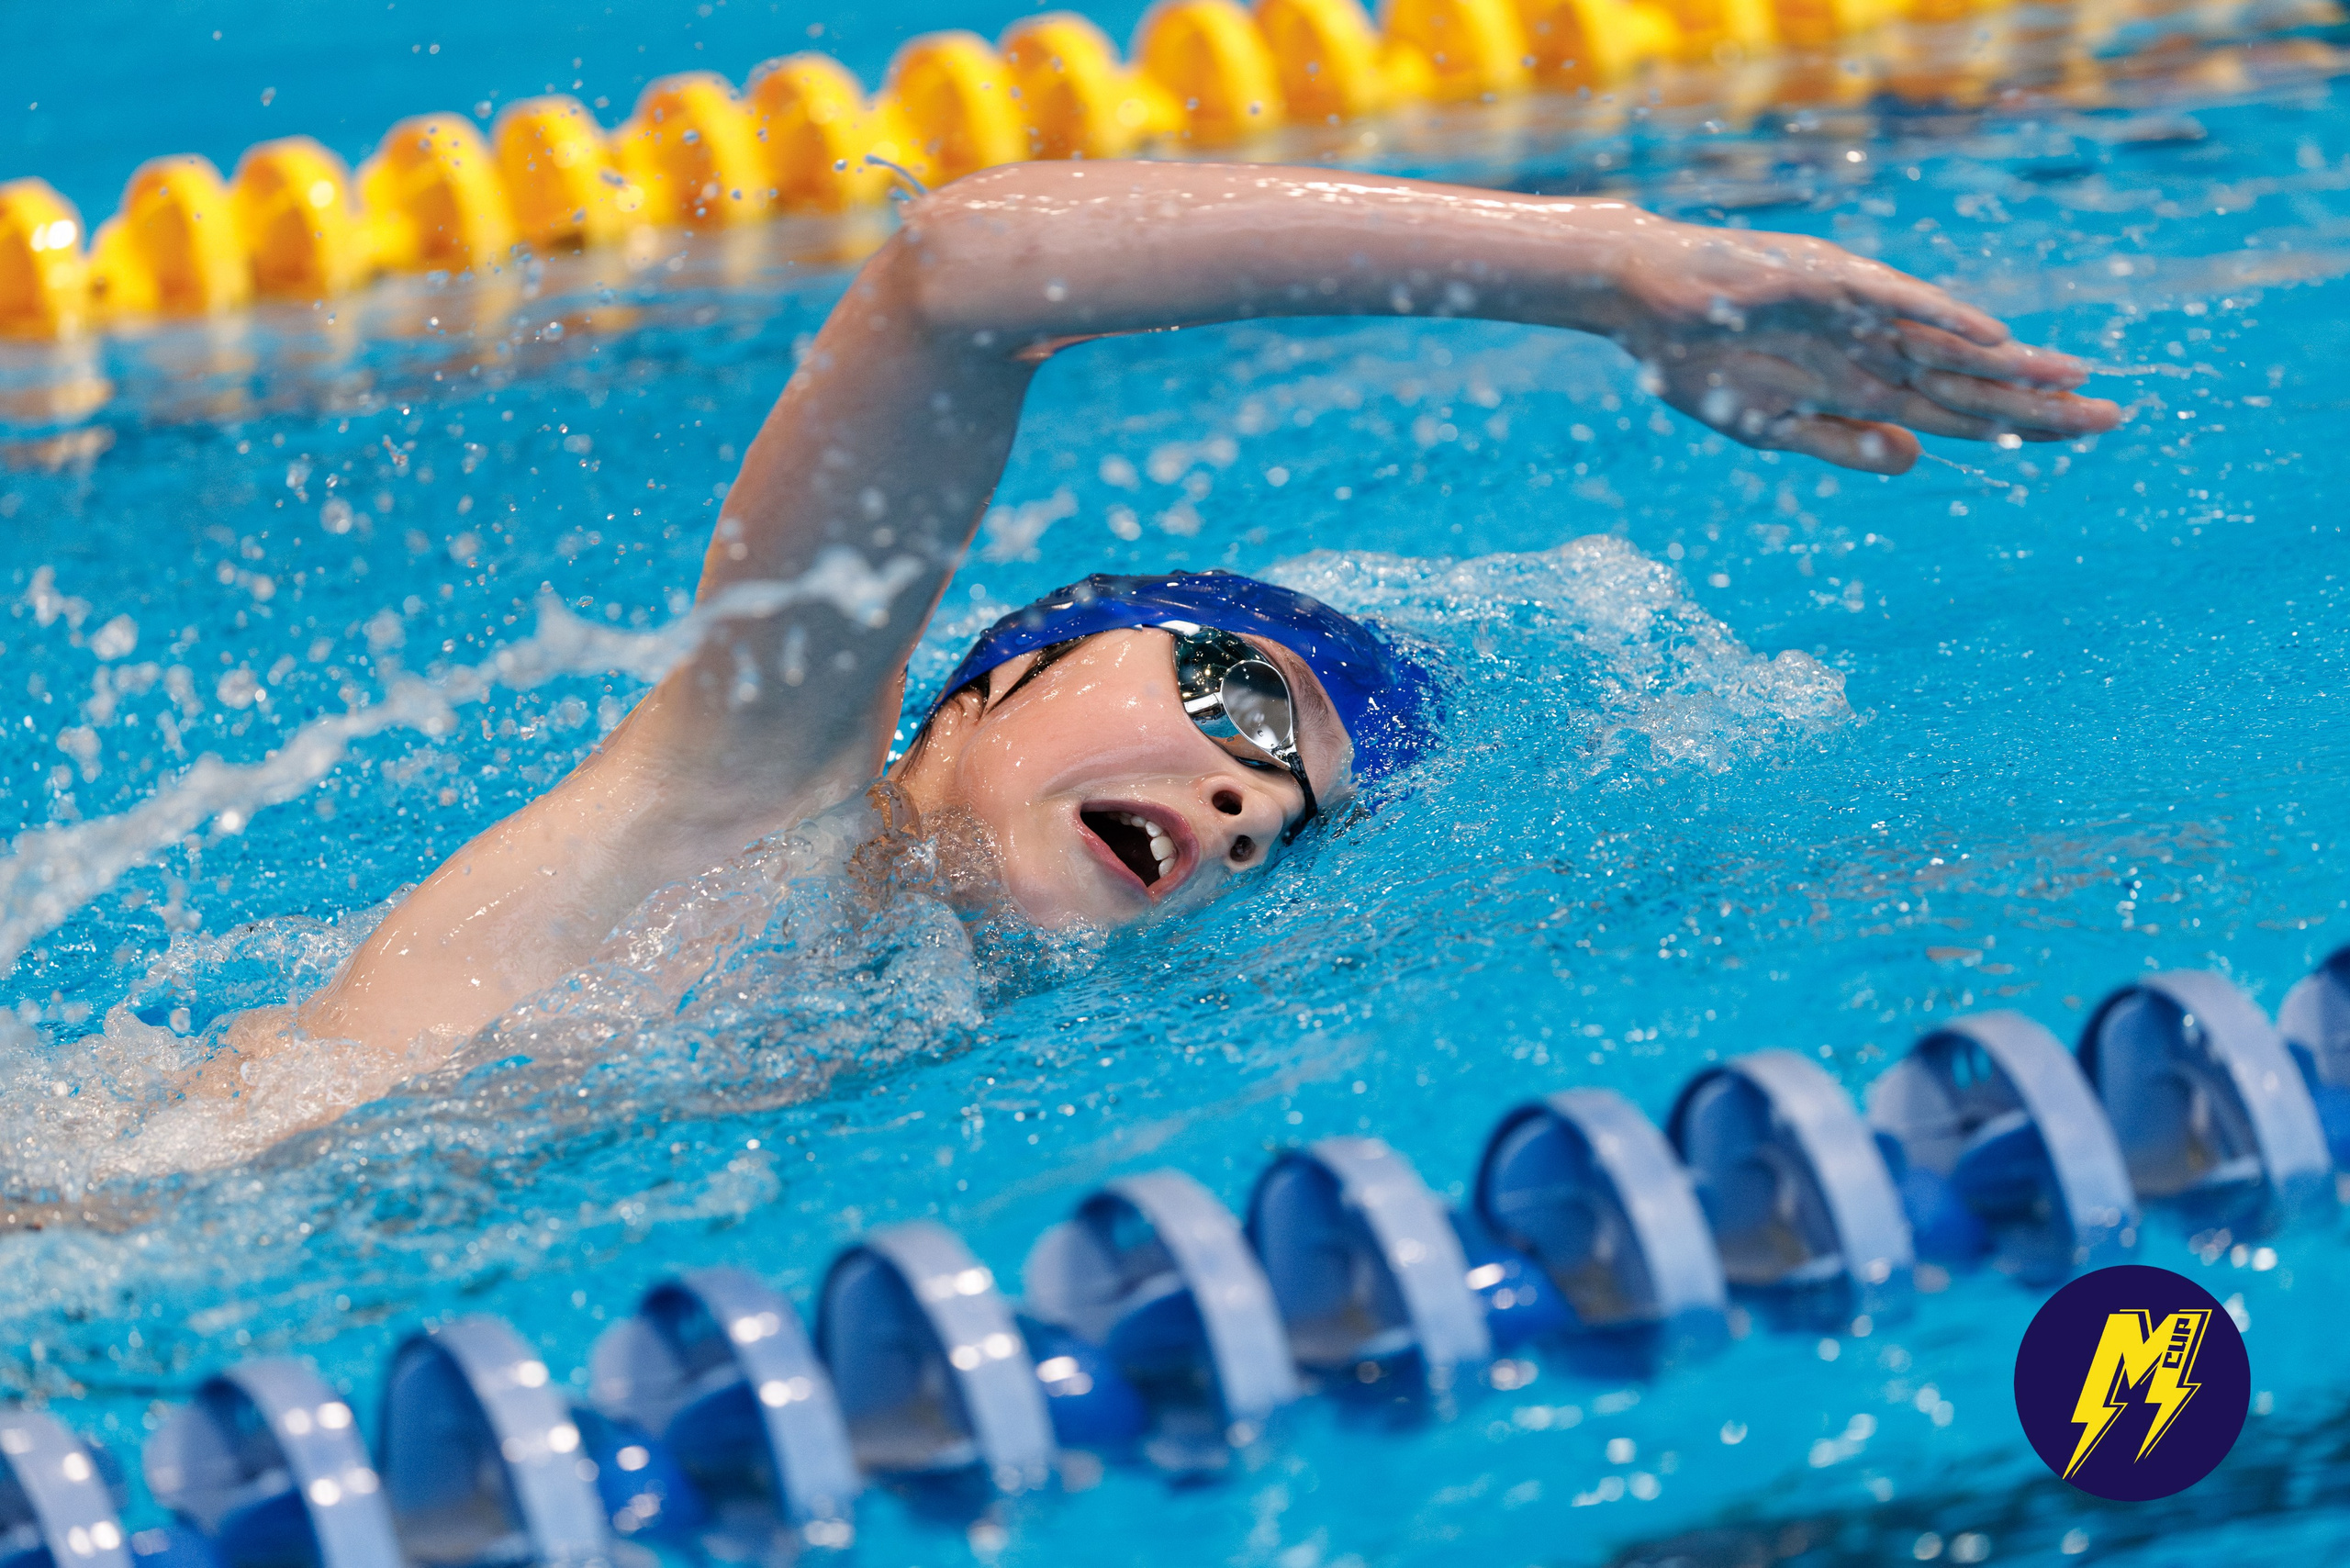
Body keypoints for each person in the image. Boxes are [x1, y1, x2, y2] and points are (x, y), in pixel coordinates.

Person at [214, 160, 2119, 1086]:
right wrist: (1613, 271)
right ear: (981, 684)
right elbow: (960, 273)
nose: (1239, 795)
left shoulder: (900, 1018)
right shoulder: (741, 799)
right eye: (1226, 695)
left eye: (1283, 805)